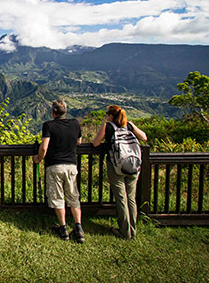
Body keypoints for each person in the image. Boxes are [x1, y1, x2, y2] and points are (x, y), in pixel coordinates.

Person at [92, 105, 147, 240]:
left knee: (121, 198)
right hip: (133, 166)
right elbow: (144, 137)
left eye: (107, 114)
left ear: (111, 116)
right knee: (131, 198)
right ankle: (133, 231)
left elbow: (95, 143)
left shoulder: (108, 126)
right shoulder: (129, 125)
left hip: (116, 166)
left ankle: (124, 231)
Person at [33, 99, 84, 243]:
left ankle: (63, 229)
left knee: (58, 198)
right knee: (73, 197)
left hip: (54, 166)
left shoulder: (49, 125)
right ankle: (78, 228)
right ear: (65, 111)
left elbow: (44, 147)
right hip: (71, 166)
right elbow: (79, 141)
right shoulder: (75, 123)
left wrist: (38, 158)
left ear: (53, 112)